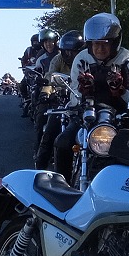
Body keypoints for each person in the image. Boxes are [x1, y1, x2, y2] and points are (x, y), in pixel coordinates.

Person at [52, 13, 129, 179]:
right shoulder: (82, 59)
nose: (100, 48)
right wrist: (84, 90)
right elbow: (74, 96)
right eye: (96, 44)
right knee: (62, 142)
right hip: (86, 115)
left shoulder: (128, 60)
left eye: (105, 43)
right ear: (89, 44)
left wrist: (120, 90)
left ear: (114, 42)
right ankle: (59, 186)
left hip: (120, 117)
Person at [34, 29, 82, 168]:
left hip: (83, 103)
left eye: (73, 51)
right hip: (63, 100)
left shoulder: (86, 59)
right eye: (66, 51)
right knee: (48, 133)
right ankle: (39, 168)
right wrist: (45, 93)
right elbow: (50, 77)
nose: (69, 55)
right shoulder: (58, 59)